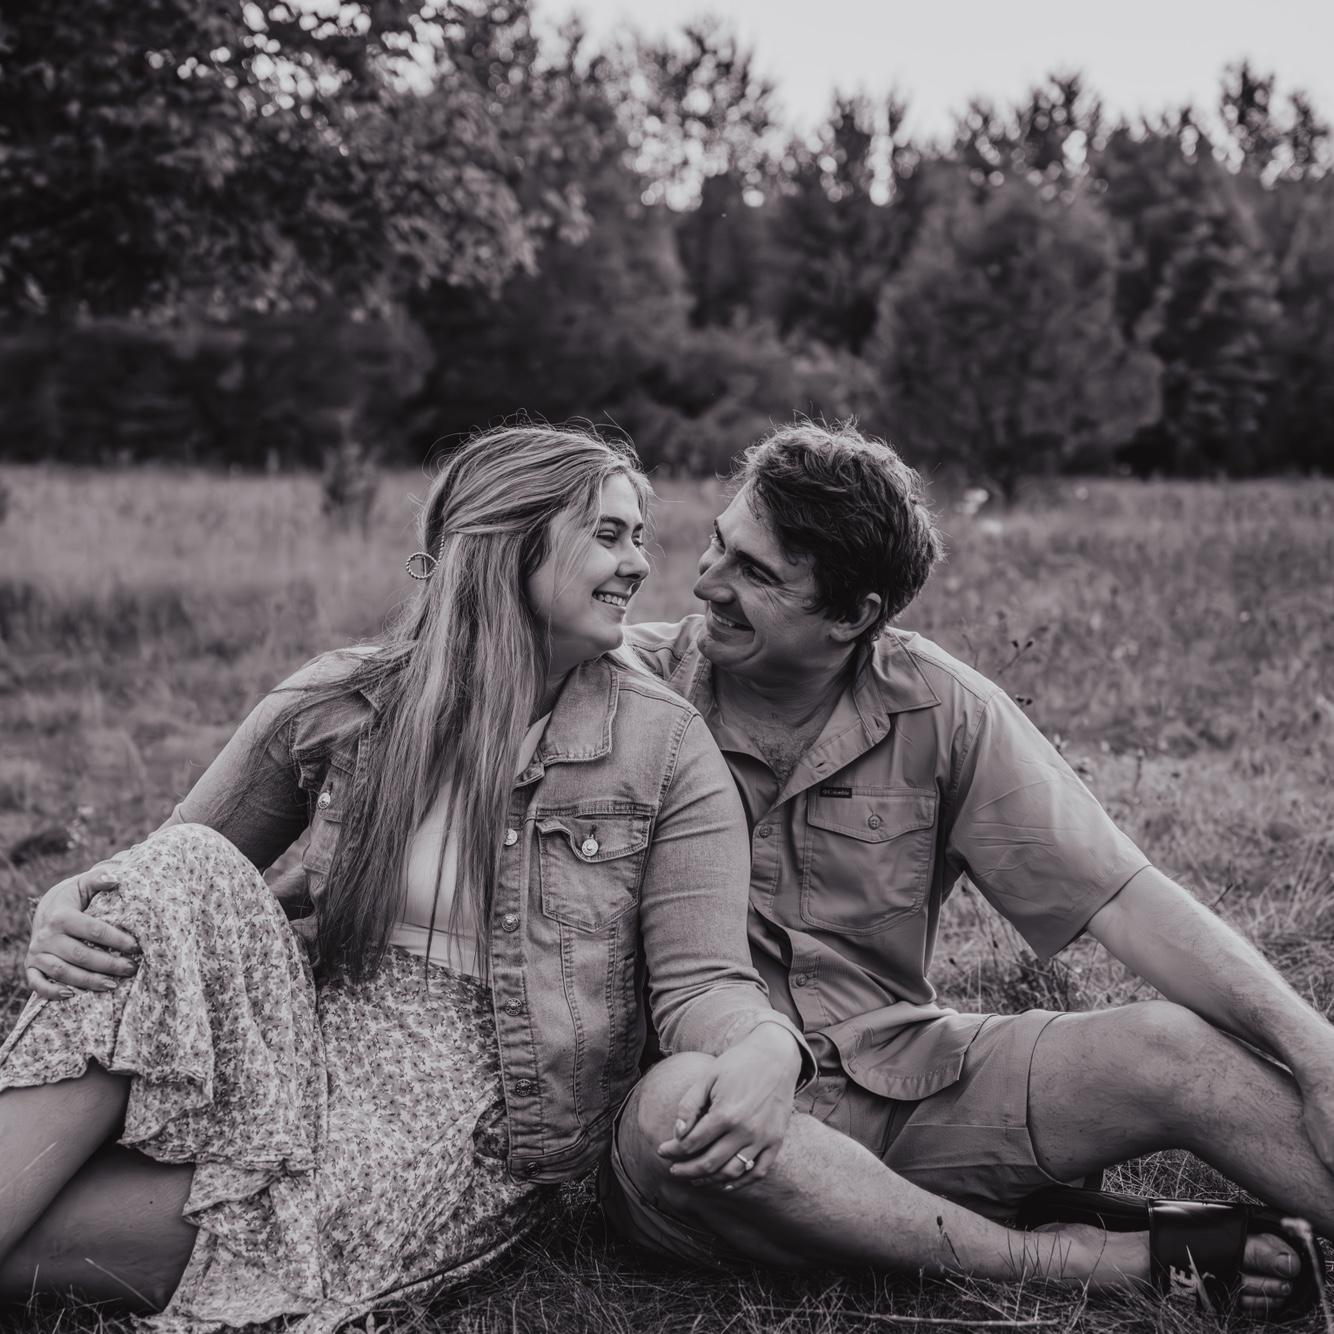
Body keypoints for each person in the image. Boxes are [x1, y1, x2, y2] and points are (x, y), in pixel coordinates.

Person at [1, 424, 813, 1331]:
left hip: (466, 1114)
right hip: (298, 1048)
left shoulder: (663, 748)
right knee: (182, 865)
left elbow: (704, 981)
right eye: (608, 535)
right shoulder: (347, 699)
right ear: (508, 543)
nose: (640, 565)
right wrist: (75, 897)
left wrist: (765, 1044)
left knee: (36, 1231)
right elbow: (165, 880)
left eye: (638, 536)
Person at [601, 421, 1330, 1316]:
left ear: (853, 615)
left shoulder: (942, 705)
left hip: (908, 1088)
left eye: (756, 573)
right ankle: (1073, 1257)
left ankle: (940, 1221)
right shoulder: (625, 692)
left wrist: (1316, 1053)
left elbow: (1123, 898)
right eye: (720, 543)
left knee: (1172, 1048)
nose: (706, 581)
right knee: (674, 1107)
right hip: (719, 1128)